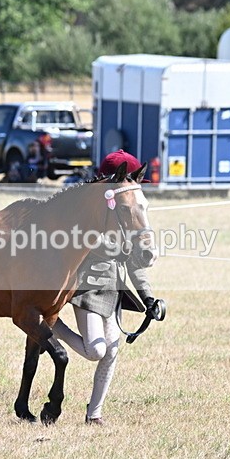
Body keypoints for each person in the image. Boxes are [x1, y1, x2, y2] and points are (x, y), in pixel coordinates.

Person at [50, 150, 160, 425]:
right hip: (86, 291)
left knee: (112, 350)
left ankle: (94, 414)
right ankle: (51, 326)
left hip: (112, 293)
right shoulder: (89, 216)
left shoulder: (126, 218)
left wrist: (148, 298)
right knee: (96, 351)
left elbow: (134, 265)